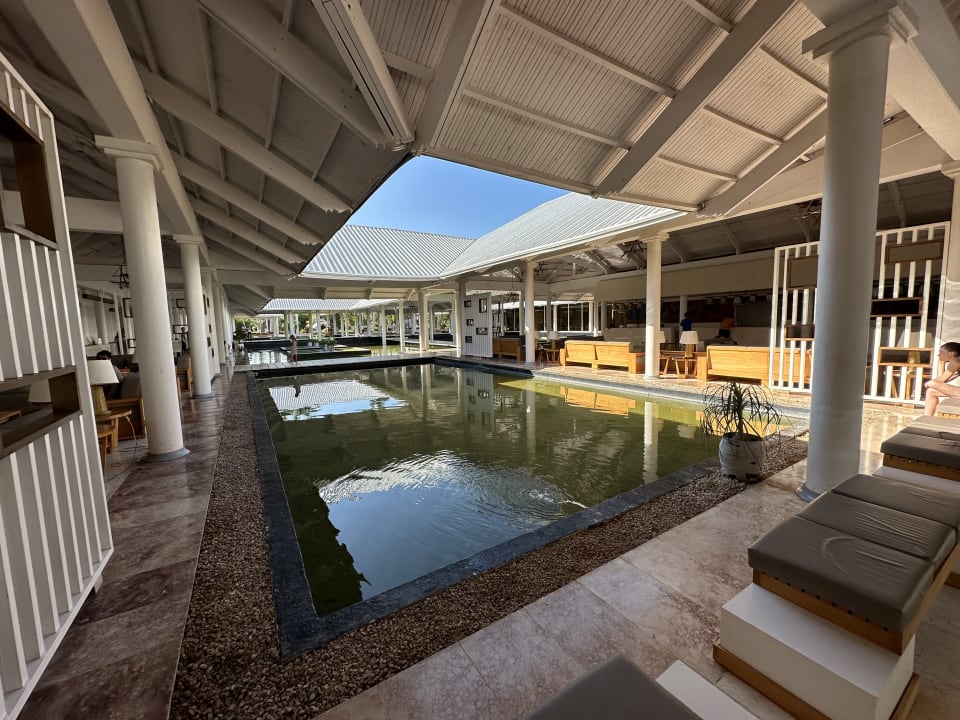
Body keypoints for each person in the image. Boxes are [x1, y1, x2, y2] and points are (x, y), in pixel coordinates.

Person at [923, 342, 960, 415]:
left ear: (951, 354)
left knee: (932, 384)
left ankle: (927, 418)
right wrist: (941, 363)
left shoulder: (955, 362)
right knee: (931, 391)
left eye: (941, 352)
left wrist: (929, 383)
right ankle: (927, 418)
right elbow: (942, 381)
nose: (938, 355)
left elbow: (940, 381)